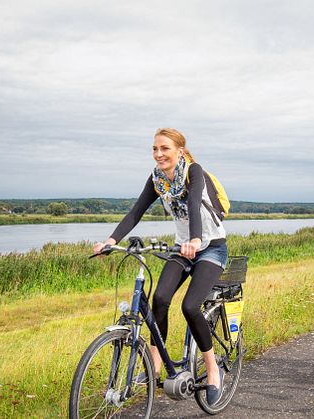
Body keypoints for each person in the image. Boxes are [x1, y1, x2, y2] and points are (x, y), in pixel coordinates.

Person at [93, 128, 227, 404]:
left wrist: (195, 239)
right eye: (154, 149)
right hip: (183, 248)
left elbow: (193, 202)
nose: (158, 154)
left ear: (179, 150)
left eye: (164, 148)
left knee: (190, 306)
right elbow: (136, 211)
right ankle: (155, 365)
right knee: (160, 299)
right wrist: (111, 240)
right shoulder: (157, 180)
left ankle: (213, 369)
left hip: (210, 247)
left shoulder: (193, 171)